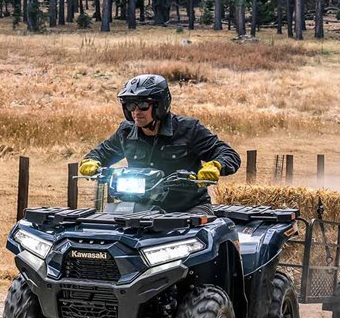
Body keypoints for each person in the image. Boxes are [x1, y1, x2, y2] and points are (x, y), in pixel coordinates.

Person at [79, 74, 241, 214]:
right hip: (139, 205)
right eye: (130, 105)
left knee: (191, 240)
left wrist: (215, 165)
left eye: (143, 105)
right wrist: (91, 161)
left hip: (187, 208)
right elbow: (102, 152)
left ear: (160, 105)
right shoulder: (126, 131)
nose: (136, 111)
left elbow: (228, 154)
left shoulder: (189, 129)